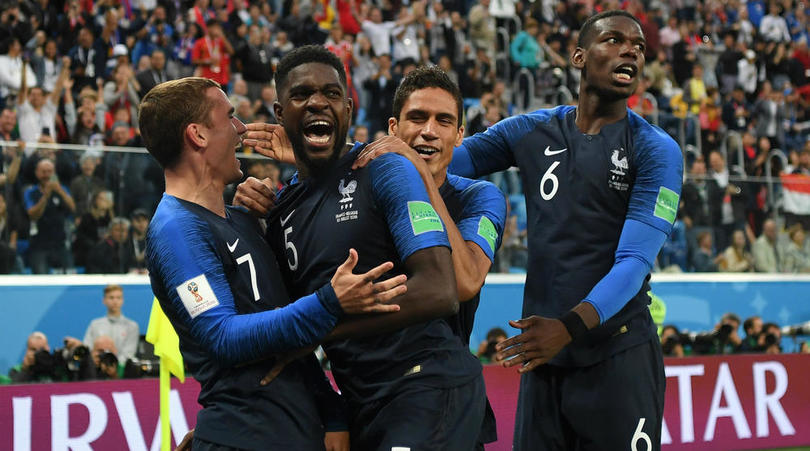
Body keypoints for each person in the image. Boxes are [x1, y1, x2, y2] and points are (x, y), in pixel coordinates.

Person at [442, 11, 682, 450]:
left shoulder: (655, 149)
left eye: (639, 46)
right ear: (578, 56)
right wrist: (350, 154)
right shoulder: (532, 130)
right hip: (546, 356)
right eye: (613, 40)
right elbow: (441, 161)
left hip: (617, 357)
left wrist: (569, 327)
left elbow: (632, 265)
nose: (631, 50)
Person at [245, 64, 508, 449]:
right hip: (362, 396)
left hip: (431, 387)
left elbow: (463, 284)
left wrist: (414, 169)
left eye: (444, 121)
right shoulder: (364, 185)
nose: (429, 131)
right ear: (393, 129)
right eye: (417, 118)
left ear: (460, 135)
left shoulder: (479, 198)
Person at [138, 76, 405, 450]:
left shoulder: (244, 219)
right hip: (245, 437)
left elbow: (287, 339)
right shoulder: (176, 231)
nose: (241, 128)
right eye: (229, 117)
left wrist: (332, 412)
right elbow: (222, 337)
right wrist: (330, 302)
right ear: (197, 135)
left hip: (298, 433)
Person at [24, 158, 76, 274]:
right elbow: (32, 214)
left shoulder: (62, 190)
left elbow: (73, 208)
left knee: (71, 277)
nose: (46, 175)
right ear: (37, 173)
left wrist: (60, 191)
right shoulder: (30, 192)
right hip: (39, 245)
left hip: (60, 243)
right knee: (41, 281)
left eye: (49, 171)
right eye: (43, 171)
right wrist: (45, 196)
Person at [82, 284, 140, 362]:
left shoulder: (132, 326)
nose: (115, 301)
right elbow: (88, 349)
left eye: (118, 298)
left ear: (122, 300)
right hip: (96, 369)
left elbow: (128, 354)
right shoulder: (94, 324)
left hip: (121, 371)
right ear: (104, 300)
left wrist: (112, 365)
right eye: (111, 297)